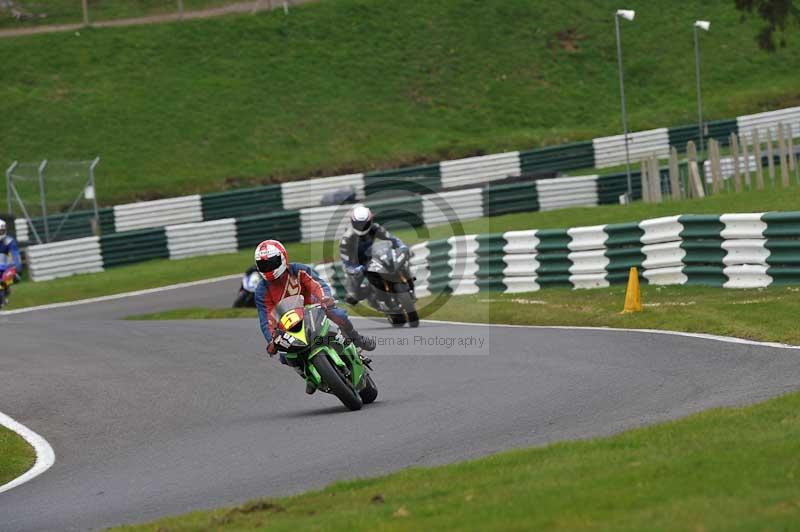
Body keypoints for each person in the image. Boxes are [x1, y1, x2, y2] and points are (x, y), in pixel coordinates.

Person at [254, 239, 375, 392]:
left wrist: (325, 298)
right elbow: (266, 318)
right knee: (285, 356)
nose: (268, 268)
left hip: (315, 311)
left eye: (271, 263)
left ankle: (356, 339)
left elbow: (317, 284)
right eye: (263, 265)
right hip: (290, 325)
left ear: (283, 257)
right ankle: (308, 374)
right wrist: (272, 339)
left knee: (338, 315)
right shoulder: (261, 290)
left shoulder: (299, 270)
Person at [339, 205, 407, 304]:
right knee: (352, 296)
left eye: (364, 224)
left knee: (398, 262)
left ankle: (405, 282)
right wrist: (354, 269)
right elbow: (346, 262)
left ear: (370, 220)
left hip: (372, 257)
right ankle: (356, 293)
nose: (362, 227)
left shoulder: (375, 228)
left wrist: (402, 246)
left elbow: (392, 238)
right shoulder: (346, 239)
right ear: (352, 222)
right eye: (359, 224)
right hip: (356, 264)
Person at [0, 219, 23, 304]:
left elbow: (15, 255)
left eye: (2, 231)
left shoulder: (9, 241)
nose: (0, 233)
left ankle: (5, 290)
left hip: (9, 269)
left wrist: (16, 266)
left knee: (4, 282)